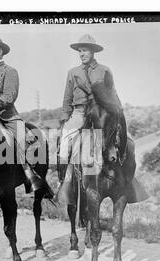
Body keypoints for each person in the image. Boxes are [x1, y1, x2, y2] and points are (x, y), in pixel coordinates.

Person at [0, 36, 52, 197]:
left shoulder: (10, 71)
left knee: (23, 140)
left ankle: (31, 176)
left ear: (0, 51)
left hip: (7, 117)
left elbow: (10, 95)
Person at [58, 34, 122, 179]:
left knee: (118, 139)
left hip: (101, 112)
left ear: (93, 52)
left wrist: (117, 110)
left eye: (85, 50)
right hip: (79, 113)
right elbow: (67, 99)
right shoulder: (72, 72)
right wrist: (64, 119)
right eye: (80, 50)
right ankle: (63, 179)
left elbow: (113, 93)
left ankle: (119, 173)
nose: (82, 54)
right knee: (63, 142)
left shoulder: (104, 70)